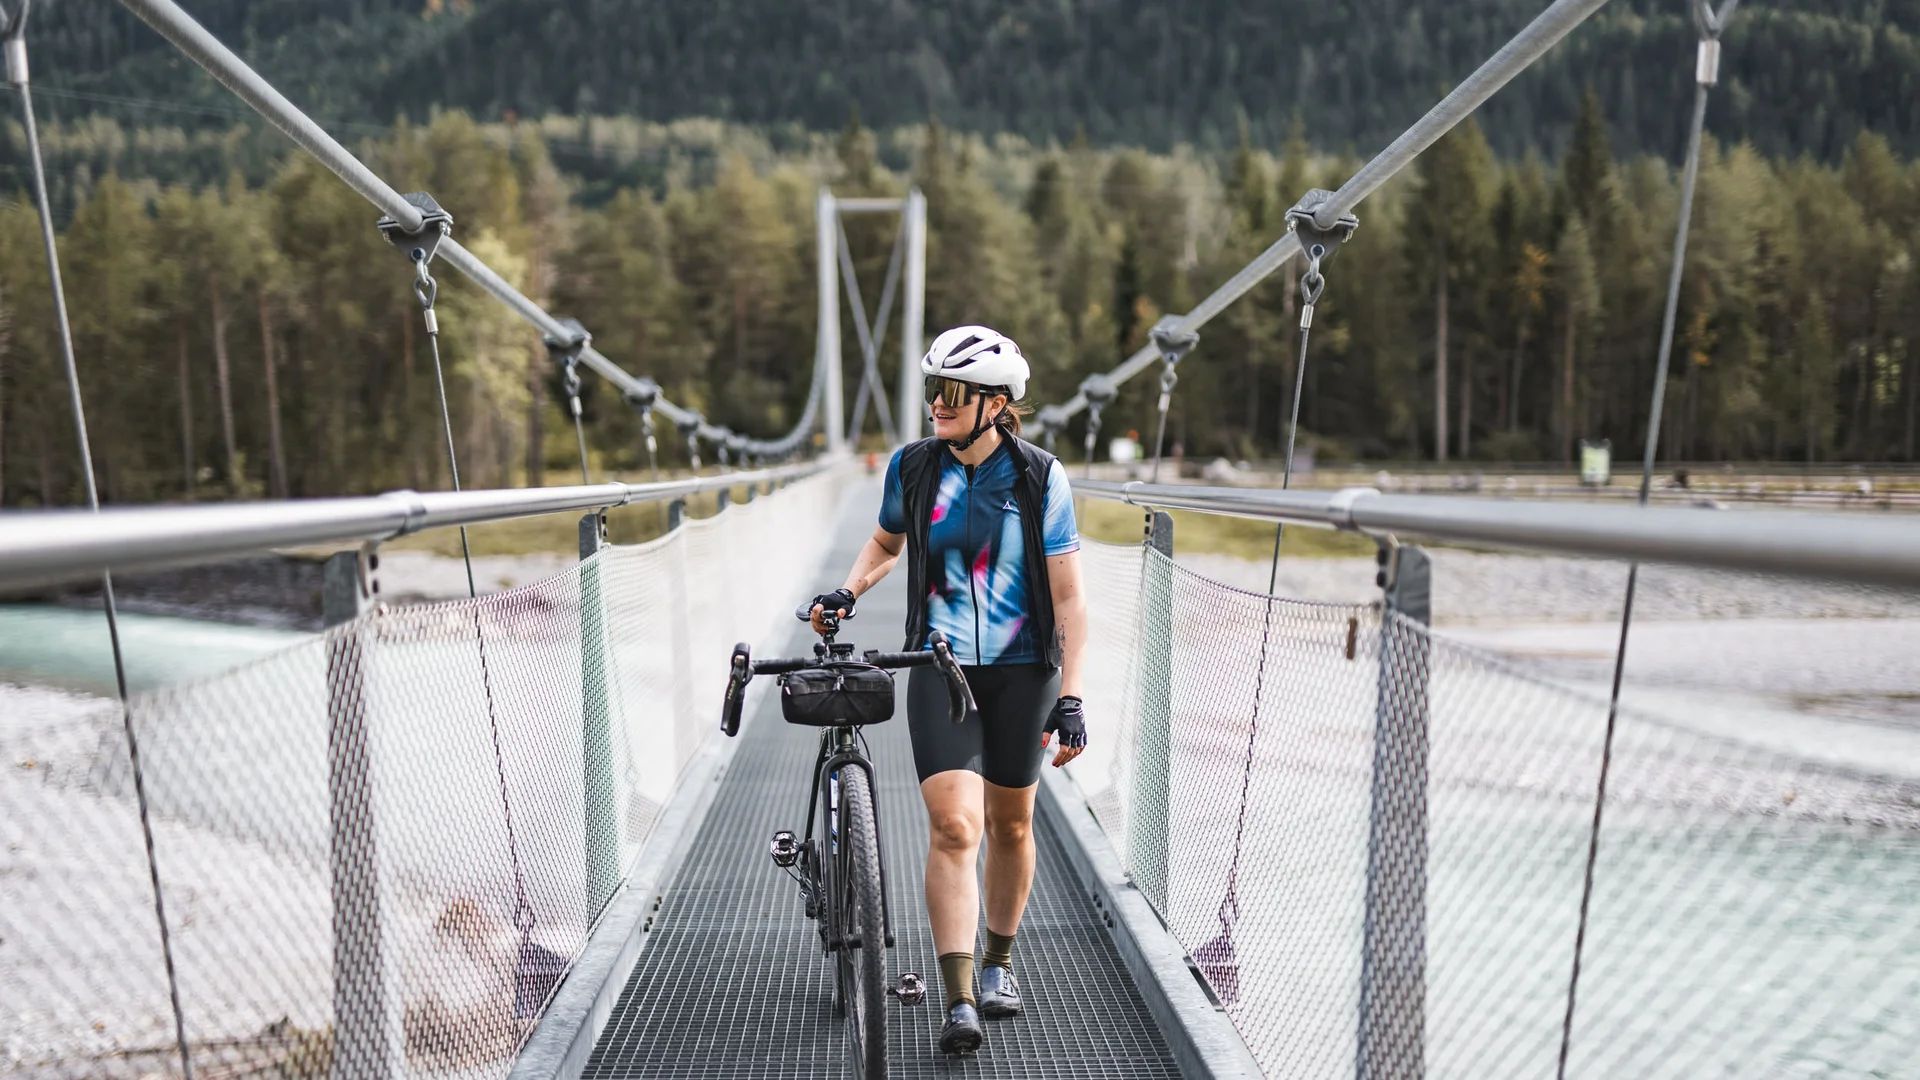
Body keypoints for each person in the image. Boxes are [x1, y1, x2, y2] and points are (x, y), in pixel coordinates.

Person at [806, 325, 1088, 1056]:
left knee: (1011, 825)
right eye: (932, 388)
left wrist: (1073, 695)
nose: (937, 403)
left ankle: (998, 963)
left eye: (953, 392)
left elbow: (1068, 598)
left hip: (1024, 671)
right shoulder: (914, 467)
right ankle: (960, 997)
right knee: (956, 826)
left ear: (996, 403)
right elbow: (885, 543)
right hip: (940, 668)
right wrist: (848, 589)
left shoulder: (1039, 477)